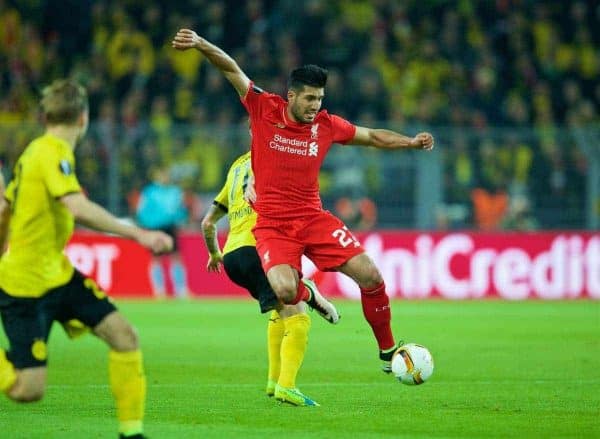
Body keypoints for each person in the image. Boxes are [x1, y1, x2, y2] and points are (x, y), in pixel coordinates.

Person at [172, 29, 434, 372]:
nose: (315, 106)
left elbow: (371, 136)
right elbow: (232, 69)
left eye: (320, 99)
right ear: (291, 95)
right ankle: (308, 293)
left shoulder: (327, 125)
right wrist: (202, 45)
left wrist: (410, 143)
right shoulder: (264, 108)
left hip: (313, 219)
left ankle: (387, 351)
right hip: (273, 226)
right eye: (309, 99)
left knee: (370, 275)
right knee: (283, 289)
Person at [0, 79, 173, 439]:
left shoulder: (35, 152)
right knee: (27, 390)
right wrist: (138, 233)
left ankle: (132, 433)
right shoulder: (52, 153)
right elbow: (76, 207)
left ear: (45, 115)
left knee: (124, 335)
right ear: (83, 118)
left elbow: (6, 208)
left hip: (58, 275)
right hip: (25, 285)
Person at [201, 150, 338, 406]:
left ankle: (274, 382)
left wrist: (214, 253)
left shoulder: (235, 166)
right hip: (260, 247)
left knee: (279, 309)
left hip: (231, 256)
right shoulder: (274, 155)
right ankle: (288, 386)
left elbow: (207, 223)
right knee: (297, 314)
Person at [136, 165, 189, 298]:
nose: (165, 178)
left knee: (176, 257)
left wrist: (181, 218)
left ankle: (181, 290)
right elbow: (141, 211)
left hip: (170, 227)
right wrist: (148, 223)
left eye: (166, 175)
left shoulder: (175, 191)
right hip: (155, 228)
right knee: (156, 258)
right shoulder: (149, 192)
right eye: (162, 175)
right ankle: (159, 291)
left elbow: (181, 209)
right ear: (156, 177)